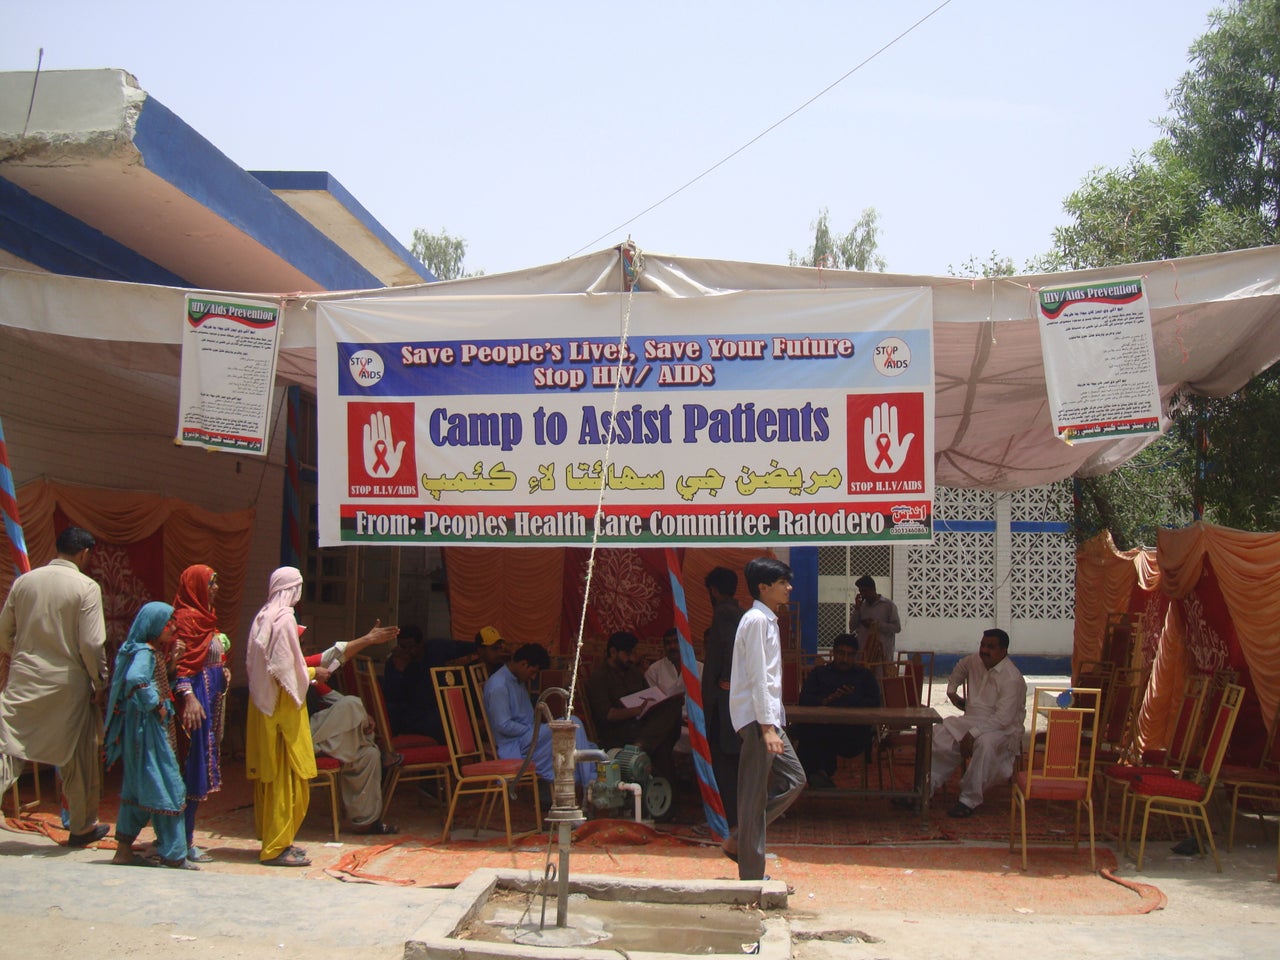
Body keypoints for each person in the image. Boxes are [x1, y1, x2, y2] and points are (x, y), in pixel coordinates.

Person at [0, 526, 110, 846]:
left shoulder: (25, 582)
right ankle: (81, 826)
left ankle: (82, 825)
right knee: (77, 756)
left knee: (9, 747)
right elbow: (91, 643)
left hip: (24, 676)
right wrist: (98, 681)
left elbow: (4, 631)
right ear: (84, 553)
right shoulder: (86, 587)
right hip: (68, 683)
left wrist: (19, 654)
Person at [723, 557, 806, 881]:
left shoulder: (765, 620)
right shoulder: (757, 620)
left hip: (767, 719)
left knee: (795, 779)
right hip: (759, 722)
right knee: (753, 794)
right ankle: (752, 875)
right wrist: (767, 727)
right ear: (763, 587)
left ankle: (740, 836)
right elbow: (758, 677)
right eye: (783, 582)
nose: (789, 588)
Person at [105, 601, 194, 870]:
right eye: (169, 623)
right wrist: (155, 705)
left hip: (142, 729)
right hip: (148, 730)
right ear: (154, 625)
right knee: (167, 785)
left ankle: (123, 850)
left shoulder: (149, 651)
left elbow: (155, 678)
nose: (173, 627)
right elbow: (137, 680)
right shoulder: (144, 652)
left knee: (137, 788)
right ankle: (174, 855)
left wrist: (173, 661)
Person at [244, 566, 319, 867]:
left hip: (262, 708)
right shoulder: (285, 619)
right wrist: (314, 673)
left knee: (271, 779)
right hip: (282, 712)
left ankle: (276, 841)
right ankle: (275, 848)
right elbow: (288, 671)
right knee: (289, 782)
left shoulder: (263, 616)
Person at [301, 621, 400, 835]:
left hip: (323, 739)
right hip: (299, 736)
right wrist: (367, 640)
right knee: (353, 704)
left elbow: (332, 695)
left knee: (369, 755)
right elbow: (333, 656)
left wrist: (364, 716)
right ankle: (374, 744)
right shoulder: (291, 667)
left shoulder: (307, 670)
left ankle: (367, 821)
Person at [925, 628, 1026, 818]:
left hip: (1003, 729)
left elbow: (1003, 719)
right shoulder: (974, 661)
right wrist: (951, 691)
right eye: (983, 645)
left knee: (985, 744)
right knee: (939, 734)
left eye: (991, 647)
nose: (984, 650)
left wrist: (974, 733)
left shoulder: (1012, 678)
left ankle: (968, 799)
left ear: (1003, 651)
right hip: (971, 721)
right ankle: (925, 789)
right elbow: (960, 668)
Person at [170, 564, 230, 863]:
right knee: (189, 771)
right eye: (211, 584)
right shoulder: (185, 621)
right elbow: (180, 666)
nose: (216, 589)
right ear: (196, 587)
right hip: (194, 710)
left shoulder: (207, 619)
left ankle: (183, 839)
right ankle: (180, 840)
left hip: (209, 705)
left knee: (198, 771)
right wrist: (189, 696)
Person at [483, 642, 598, 786]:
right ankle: (589, 783)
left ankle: (589, 780)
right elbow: (503, 725)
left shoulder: (517, 679)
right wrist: (534, 729)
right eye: (533, 672)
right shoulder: (498, 685)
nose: (533, 677)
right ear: (524, 664)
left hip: (529, 736)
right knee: (573, 723)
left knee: (589, 747)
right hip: (516, 744)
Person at [585, 630, 684, 789]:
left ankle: (640, 747)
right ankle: (662, 798)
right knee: (663, 747)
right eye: (628, 653)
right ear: (613, 652)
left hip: (641, 727)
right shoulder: (600, 677)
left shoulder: (633, 672)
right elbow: (607, 715)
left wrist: (658, 703)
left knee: (673, 706)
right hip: (617, 731)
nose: (632, 658)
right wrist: (636, 711)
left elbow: (648, 696)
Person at [792, 633, 881, 789]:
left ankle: (818, 774)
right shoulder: (819, 674)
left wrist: (851, 699)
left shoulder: (864, 677)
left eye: (849, 655)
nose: (845, 659)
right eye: (841, 653)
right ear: (833, 653)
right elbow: (804, 700)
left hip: (852, 733)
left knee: (816, 735)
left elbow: (876, 703)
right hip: (821, 729)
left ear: (855, 656)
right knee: (807, 731)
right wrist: (826, 700)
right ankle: (819, 774)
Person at [701, 566, 744, 829]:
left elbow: (719, 659)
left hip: (724, 699)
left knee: (724, 760)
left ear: (714, 590)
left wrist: (710, 697)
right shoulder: (742, 613)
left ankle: (728, 817)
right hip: (736, 696)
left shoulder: (724, 615)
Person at [853, 576, 901, 668]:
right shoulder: (862, 607)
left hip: (882, 655)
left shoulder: (888, 606)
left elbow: (897, 628)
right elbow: (852, 626)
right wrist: (857, 609)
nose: (863, 594)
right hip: (864, 654)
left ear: (873, 589)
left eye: (865, 591)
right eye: (861, 592)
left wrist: (877, 625)